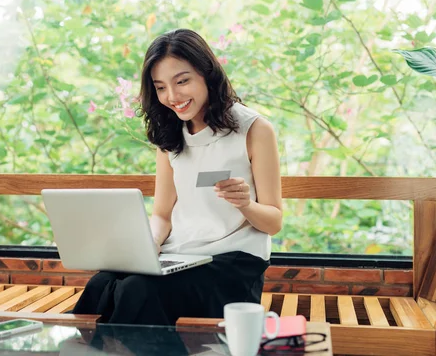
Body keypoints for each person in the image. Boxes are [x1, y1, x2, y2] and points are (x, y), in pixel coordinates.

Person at [72, 28, 282, 325]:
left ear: (207, 74)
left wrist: (246, 203)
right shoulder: (170, 134)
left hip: (234, 263)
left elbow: (274, 221)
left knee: (139, 290)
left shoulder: (255, 130)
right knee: (100, 285)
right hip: (180, 256)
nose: (172, 96)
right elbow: (162, 215)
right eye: (160, 87)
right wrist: (145, 247)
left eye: (182, 81)